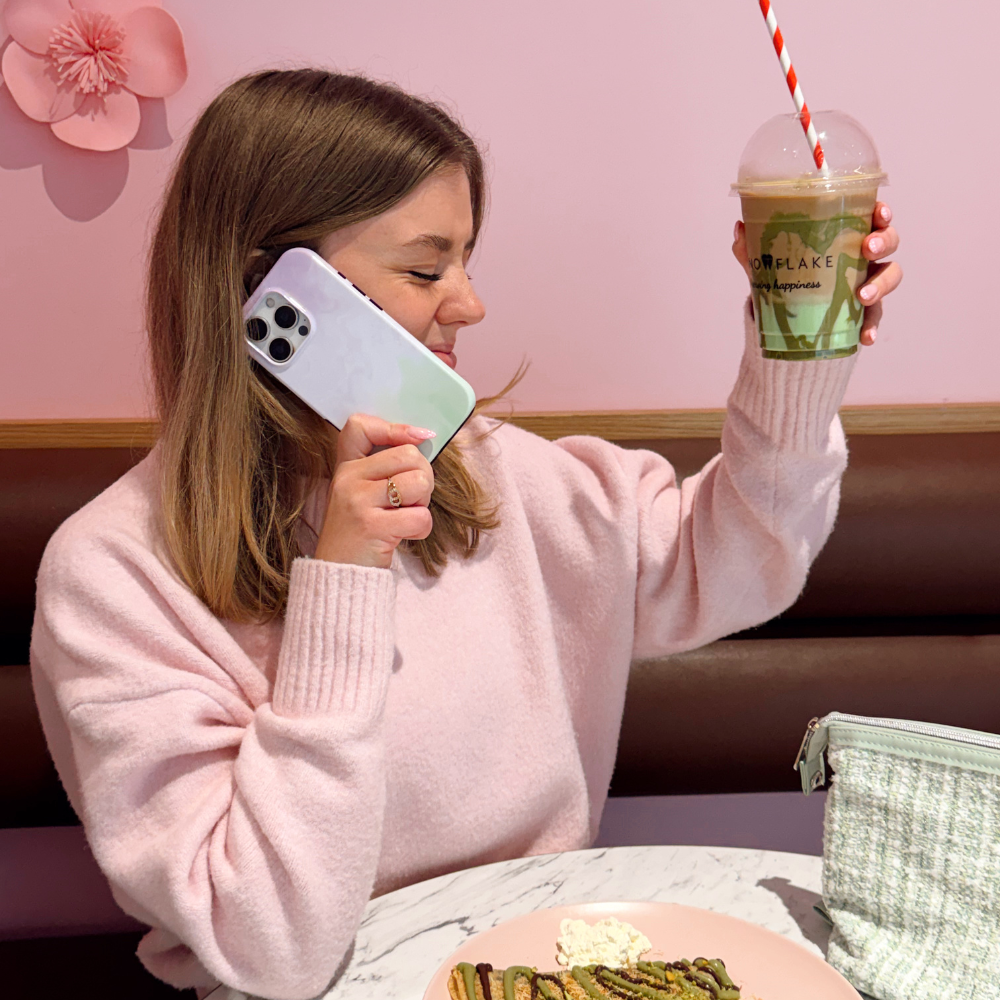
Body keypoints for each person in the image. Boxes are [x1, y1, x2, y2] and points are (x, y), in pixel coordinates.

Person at [29, 69, 902, 999]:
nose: (469, 305)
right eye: (425, 269)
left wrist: (800, 338)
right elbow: (271, 948)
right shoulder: (112, 576)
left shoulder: (494, 475)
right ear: (266, 286)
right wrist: (345, 578)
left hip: (542, 968)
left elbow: (733, 563)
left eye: (466, 262)